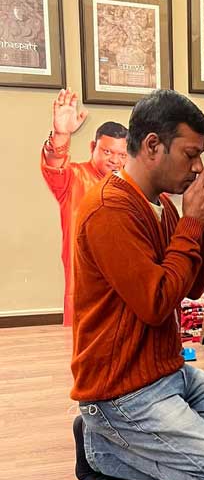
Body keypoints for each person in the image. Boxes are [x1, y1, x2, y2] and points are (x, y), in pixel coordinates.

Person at [71, 89, 204, 480]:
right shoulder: (109, 209)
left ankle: (135, 437)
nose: (197, 168)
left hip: (168, 371)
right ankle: (99, 447)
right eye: (190, 154)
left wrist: (201, 225)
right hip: (122, 389)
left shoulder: (163, 204)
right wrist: (193, 224)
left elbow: (191, 287)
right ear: (152, 146)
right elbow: (156, 304)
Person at [41, 89, 128, 325]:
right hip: (85, 288)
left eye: (122, 155)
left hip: (125, 288)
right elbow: (54, 164)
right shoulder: (74, 178)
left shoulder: (132, 186)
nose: (115, 160)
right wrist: (61, 135)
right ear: (92, 147)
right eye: (107, 151)